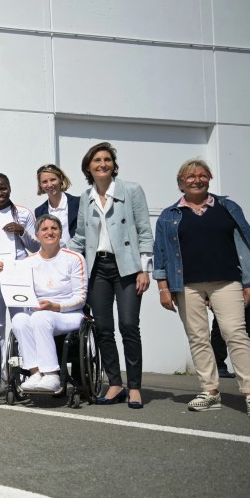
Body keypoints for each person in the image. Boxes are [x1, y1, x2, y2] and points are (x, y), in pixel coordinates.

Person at [153, 159, 250, 416]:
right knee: (198, 337)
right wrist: (163, 288)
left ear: (209, 178)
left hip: (227, 280)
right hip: (186, 284)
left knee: (236, 334)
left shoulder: (227, 207)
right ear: (181, 183)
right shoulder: (170, 215)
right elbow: (161, 253)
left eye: (202, 175)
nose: (197, 180)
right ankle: (210, 391)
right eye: (190, 177)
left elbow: (246, 244)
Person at [66, 142, 153, 409]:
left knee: (128, 325)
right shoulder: (86, 197)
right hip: (98, 269)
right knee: (103, 328)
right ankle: (115, 383)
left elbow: (144, 231)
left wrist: (144, 268)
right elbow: (81, 235)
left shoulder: (132, 190)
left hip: (127, 268)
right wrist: (58, 256)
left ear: (113, 165)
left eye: (107, 160)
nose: (102, 164)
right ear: (88, 168)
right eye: (97, 161)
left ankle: (135, 386)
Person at [0, 215, 87, 394]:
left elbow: (81, 297)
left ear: (61, 233)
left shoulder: (74, 258)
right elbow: (17, 290)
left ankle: (52, 375)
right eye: (44, 229)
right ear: (37, 235)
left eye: (54, 228)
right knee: (20, 319)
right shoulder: (27, 263)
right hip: (40, 314)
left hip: (70, 315)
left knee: (41, 317)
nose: (50, 232)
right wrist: (2, 276)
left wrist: (54, 306)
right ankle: (35, 373)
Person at [0, 173, 39, 353]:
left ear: (10, 188)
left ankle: (25, 366)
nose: (0, 192)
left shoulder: (24, 214)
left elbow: (35, 247)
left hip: (18, 274)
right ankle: (0, 370)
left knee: (21, 320)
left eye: (3, 188)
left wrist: (22, 231)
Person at [35, 163, 80, 238]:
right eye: (44, 182)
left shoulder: (78, 203)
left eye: (53, 180)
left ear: (60, 179)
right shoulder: (39, 211)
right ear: (40, 185)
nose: (49, 185)